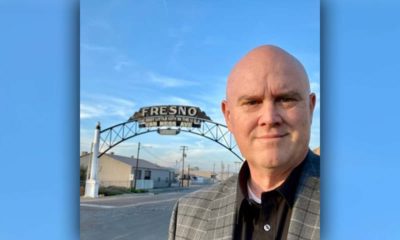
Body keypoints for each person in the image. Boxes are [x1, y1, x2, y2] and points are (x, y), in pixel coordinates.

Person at [168, 45, 319, 240]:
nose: (269, 118)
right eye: (252, 102)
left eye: (286, 99)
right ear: (228, 116)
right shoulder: (186, 216)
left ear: (310, 107)